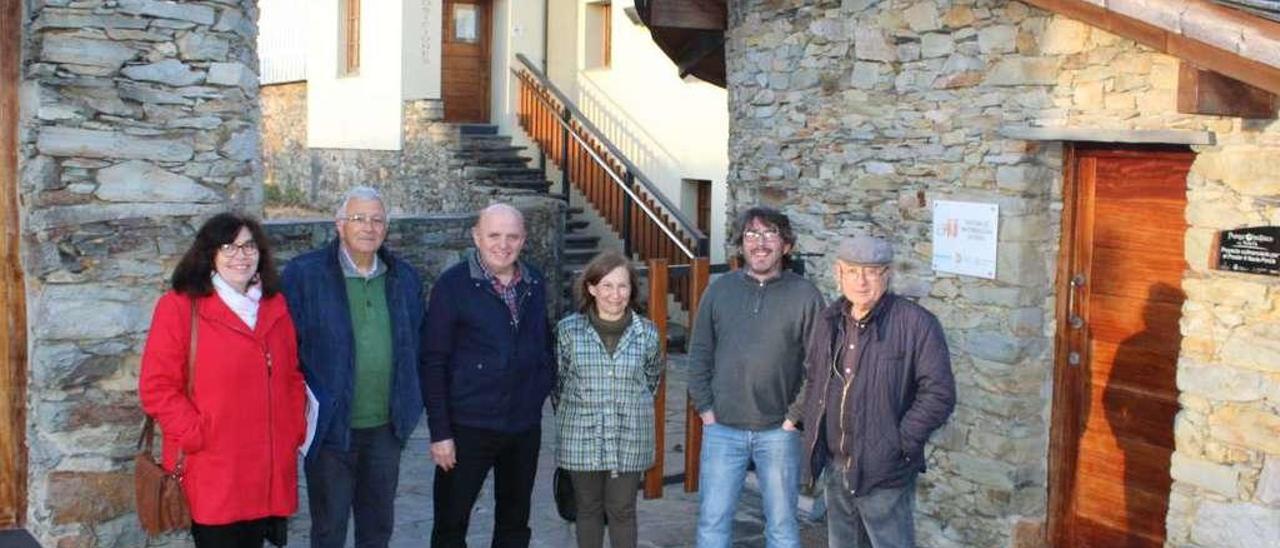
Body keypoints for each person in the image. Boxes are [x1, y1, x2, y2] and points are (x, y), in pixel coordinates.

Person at [139, 212, 305, 547]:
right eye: (228, 246)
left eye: (249, 246)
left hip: (266, 469)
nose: (241, 256)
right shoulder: (180, 307)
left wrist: (292, 428)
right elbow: (157, 386)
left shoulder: (275, 307)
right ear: (209, 254)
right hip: (215, 468)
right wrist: (196, 433)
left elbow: (290, 375)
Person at [281, 186, 426, 548]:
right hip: (331, 429)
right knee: (329, 529)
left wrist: (410, 406)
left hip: (386, 428)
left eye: (377, 220)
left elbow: (418, 346)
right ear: (339, 224)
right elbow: (285, 350)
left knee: (377, 527)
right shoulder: (305, 275)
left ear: (386, 227)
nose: (368, 227)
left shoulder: (403, 278)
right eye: (358, 218)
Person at [799, 235, 955, 548]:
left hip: (884, 470)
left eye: (872, 271)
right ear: (838, 273)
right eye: (853, 271)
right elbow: (816, 378)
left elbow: (939, 393)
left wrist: (898, 442)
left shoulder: (916, 324)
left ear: (887, 274)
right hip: (835, 464)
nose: (861, 280)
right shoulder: (829, 320)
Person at [688, 206, 825, 548]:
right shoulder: (719, 291)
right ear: (741, 245)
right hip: (722, 430)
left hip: (778, 433)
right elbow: (699, 354)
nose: (759, 243)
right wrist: (706, 409)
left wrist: (794, 418)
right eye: (751, 235)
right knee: (712, 522)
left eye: (769, 235)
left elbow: (819, 366)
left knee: (781, 526)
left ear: (786, 246)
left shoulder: (805, 296)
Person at [422, 203, 554, 547]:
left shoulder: (534, 281)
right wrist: (440, 433)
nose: (503, 244)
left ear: (523, 239)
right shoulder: (453, 286)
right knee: (451, 525)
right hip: (468, 428)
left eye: (512, 236)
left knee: (514, 524)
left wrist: (538, 391)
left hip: (522, 427)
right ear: (476, 237)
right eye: (494, 235)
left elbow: (543, 343)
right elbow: (433, 360)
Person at [554, 251, 662, 548]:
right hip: (581, 435)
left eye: (622, 286)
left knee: (623, 509)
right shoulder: (567, 332)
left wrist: (621, 402)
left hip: (629, 435)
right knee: (587, 509)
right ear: (591, 288)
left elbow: (651, 380)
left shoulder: (648, 334)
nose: (615, 294)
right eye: (607, 285)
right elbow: (559, 383)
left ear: (632, 290)